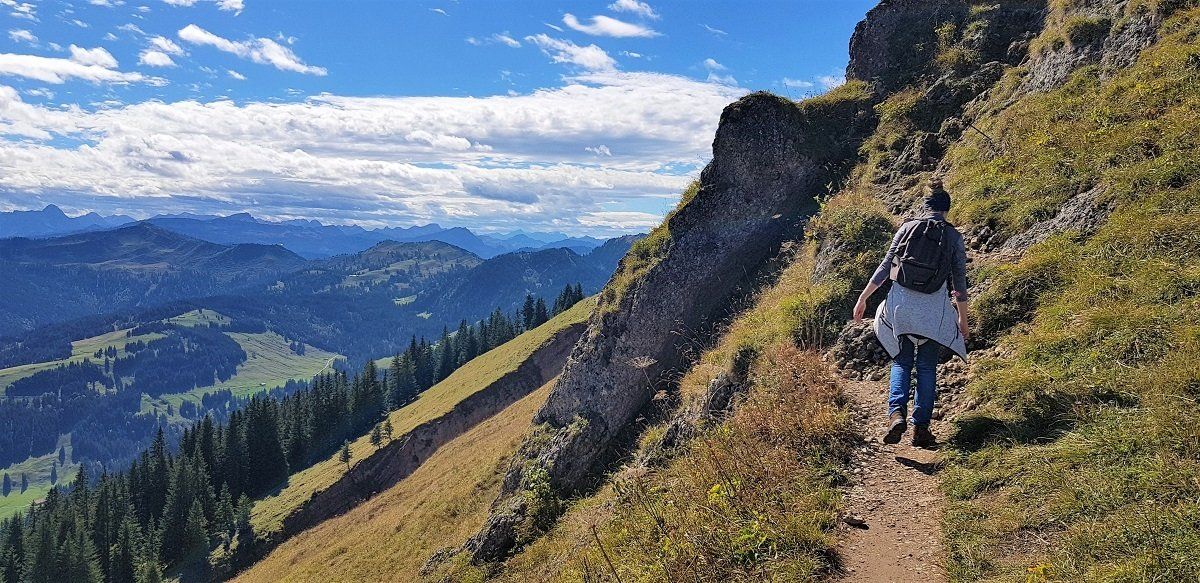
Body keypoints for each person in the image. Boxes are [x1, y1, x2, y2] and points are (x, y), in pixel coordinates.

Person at [853, 178, 969, 448]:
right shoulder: (953, 236)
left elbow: (884, 268)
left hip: (900, 307)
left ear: (925, 205)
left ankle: (896, 415)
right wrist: (963, 318)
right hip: (932, 311)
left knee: (902, 362)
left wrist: (863, 298)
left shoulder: (906, 228)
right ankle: (921, 429)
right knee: (927, 367)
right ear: (946, 209)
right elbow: (959, 283)